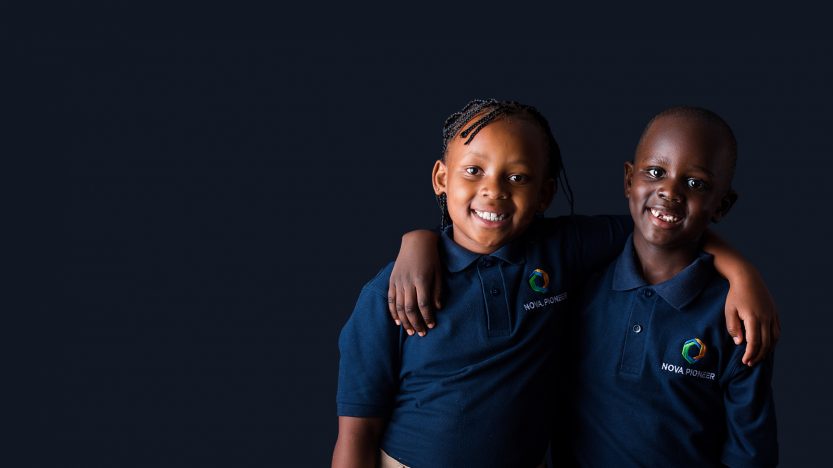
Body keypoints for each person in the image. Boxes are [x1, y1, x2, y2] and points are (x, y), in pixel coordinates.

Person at [333, 99, 635, 467]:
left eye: (517, 177)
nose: (494, 190)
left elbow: (656, 227)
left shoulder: (560, 249)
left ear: (544, 194)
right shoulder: (393, 292)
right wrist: (419, 239)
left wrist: (728, 268)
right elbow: (356, 433)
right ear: (442, 179)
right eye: (474, 170)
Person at [560, 107, 777, 466]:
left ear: (722, 205)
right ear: (629, 179)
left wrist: (742, 274)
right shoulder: (579, 282)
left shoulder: (737, 318)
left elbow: (750, 453)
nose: (670, 191)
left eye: (696, 184)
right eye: (656, 172)